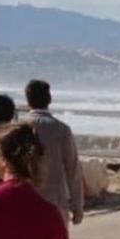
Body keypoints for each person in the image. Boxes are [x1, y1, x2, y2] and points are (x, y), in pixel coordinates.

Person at [24, 80, 85, 227]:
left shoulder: (18, 129)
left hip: (24, 204)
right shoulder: (61, 129)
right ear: (49, 99)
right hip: (55, 205)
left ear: (27, 101)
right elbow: (73, 169)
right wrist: (78, 206)